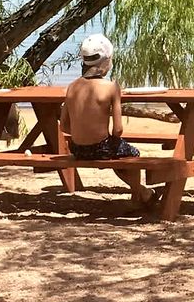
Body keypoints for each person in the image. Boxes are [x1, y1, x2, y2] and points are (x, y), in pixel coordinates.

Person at [61, 34, 158, 208]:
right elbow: (118, 130)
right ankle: (138, 195)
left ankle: (143, 192)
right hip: (101, 148)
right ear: (105, 63)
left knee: (117, 154)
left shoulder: (72, 87)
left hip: (77, 149)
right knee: (132, 154)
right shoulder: (111, 87)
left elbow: (65, 126)